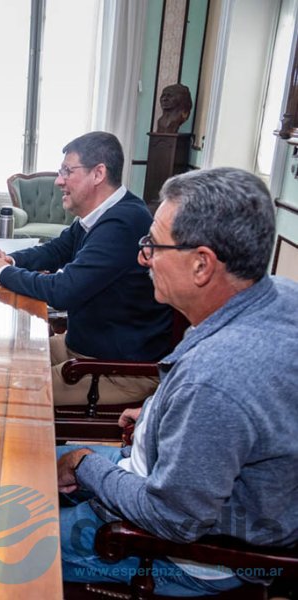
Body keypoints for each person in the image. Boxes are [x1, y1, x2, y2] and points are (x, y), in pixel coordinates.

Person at [56, 167, 298, 596]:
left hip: (198, 553)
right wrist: (155, 413)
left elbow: (172, 519)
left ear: (202, 264)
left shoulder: (216, 378)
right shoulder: (279, 293)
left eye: (153, 246)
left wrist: (86, 465)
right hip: (173, 479)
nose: (142, 258)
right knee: (27, 456)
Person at [0, 132, 171, 406]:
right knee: (2, 359)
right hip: (85, 345)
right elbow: (55, 251)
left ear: (98, 173)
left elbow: (63, 291)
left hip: (119, 369)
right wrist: (10, 260)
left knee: (12, 389)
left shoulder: (123, 222)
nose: (59, 181)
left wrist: (0, 273)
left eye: (67, 171)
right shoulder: (100, 215)